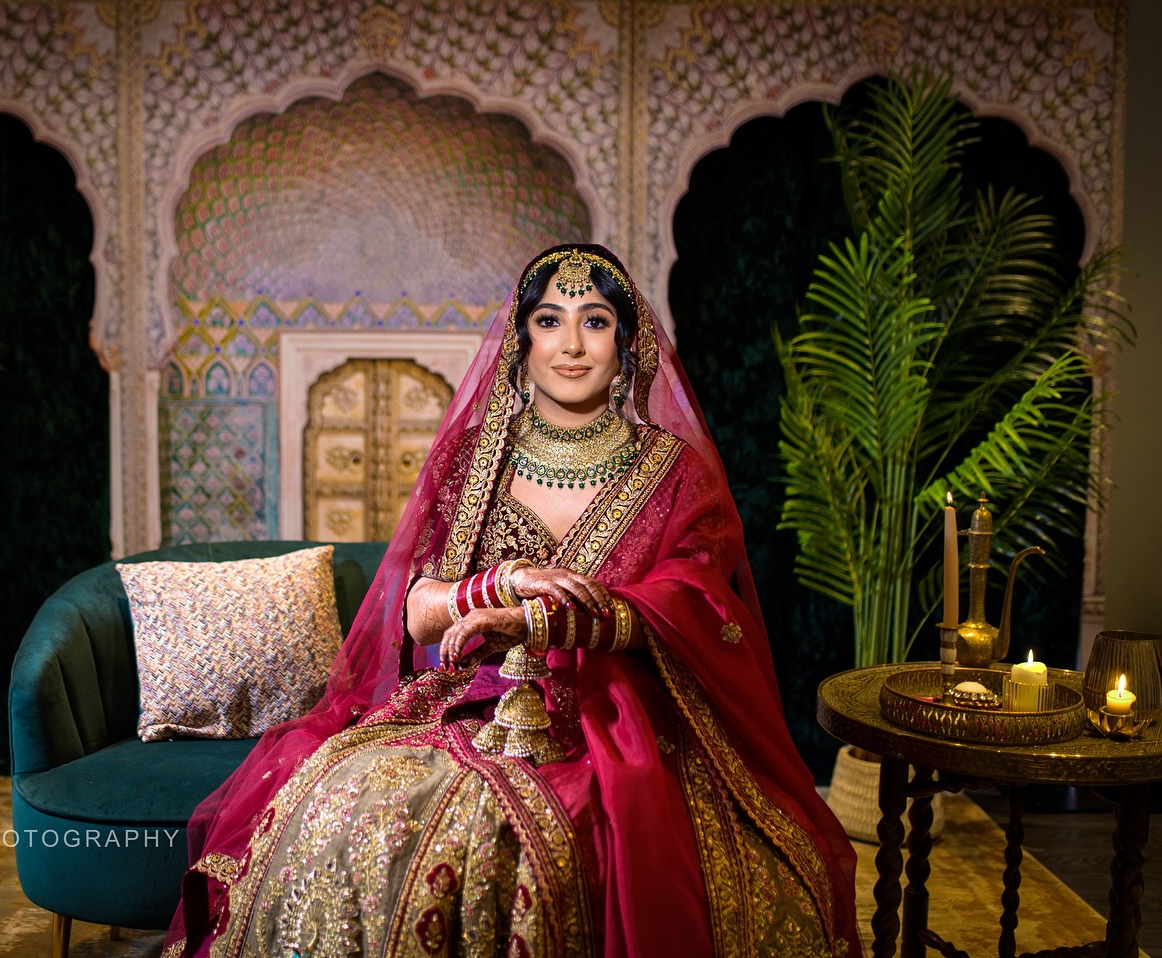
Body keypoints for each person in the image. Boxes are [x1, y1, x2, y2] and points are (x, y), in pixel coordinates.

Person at [162, 245, 861, 958]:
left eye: (594, 321)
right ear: (522, 340)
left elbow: (698, 600)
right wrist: (505, 585)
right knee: (350, 805)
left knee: (576, 831)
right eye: (550, 320)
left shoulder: (674, 472)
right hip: (463, 700)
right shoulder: (469, 459)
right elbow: (416, 612)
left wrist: (547, 621)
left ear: (627, 344)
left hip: (622, 712)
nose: (571, 344)